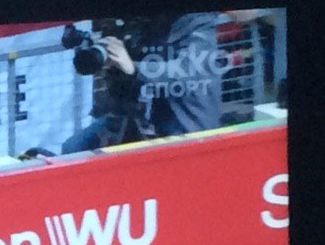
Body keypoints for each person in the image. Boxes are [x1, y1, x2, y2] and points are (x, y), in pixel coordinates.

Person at [61, 13, 222, 154]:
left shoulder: (199, 20)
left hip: (186, 129)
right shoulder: (149, 22)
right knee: (73, 148)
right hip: (138, 119)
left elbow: (189, 71)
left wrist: (134, 67)